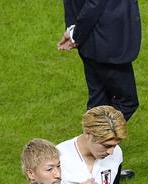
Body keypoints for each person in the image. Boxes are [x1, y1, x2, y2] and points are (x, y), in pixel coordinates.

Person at [59, 0, 141, 130]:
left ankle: (91, 145)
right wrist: (76, 33)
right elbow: (94, 3)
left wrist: (74, 30)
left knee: (99, 100)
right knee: (127, 102)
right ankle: (96, 140)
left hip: (92, 40)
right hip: (108, 42)